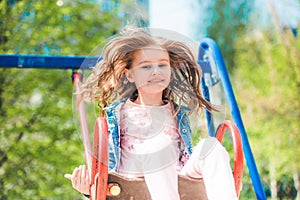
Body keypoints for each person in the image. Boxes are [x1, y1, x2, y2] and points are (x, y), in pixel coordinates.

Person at [65, 26, 238, 200]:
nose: (156, 71)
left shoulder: (177, 113)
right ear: (130, 75)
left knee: (211, 147)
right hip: (131, 184)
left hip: (176, 181)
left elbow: (184, 157)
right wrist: (88, 190)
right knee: (158, 145)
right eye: (146, 66)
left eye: (162, 65)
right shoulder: (117, 114)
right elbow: (106, 169)